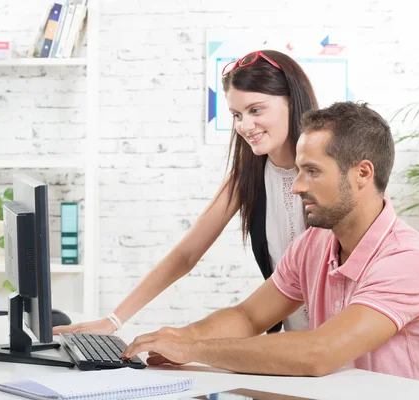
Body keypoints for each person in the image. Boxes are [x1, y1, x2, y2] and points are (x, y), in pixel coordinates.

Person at [122, 102, 419, 387]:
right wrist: (180, 338)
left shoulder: (409, 261)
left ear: (362, 174)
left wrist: (195, 349)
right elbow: (249, 316)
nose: (296, 186)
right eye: (299, 170)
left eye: (312, 171)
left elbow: (319, 353)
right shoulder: (314, 244)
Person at [53, 50, 318, 336]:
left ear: (291, 101)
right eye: (236, 115)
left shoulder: (330, 170)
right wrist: (114, 321)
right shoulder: (249, 175)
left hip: (344, 342)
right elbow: (186, 255)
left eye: (256, 110)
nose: (244, 125)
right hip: (295, 341)